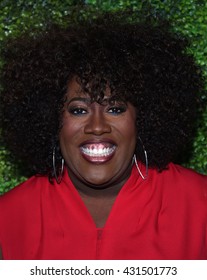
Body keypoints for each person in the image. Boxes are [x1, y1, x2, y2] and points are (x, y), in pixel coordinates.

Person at [0, 13, 207, 260]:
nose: (97, 127)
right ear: (50, 118)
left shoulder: (199, 206)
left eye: (115, 109)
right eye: (78, 110)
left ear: (143, 118)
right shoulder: (9, 218)